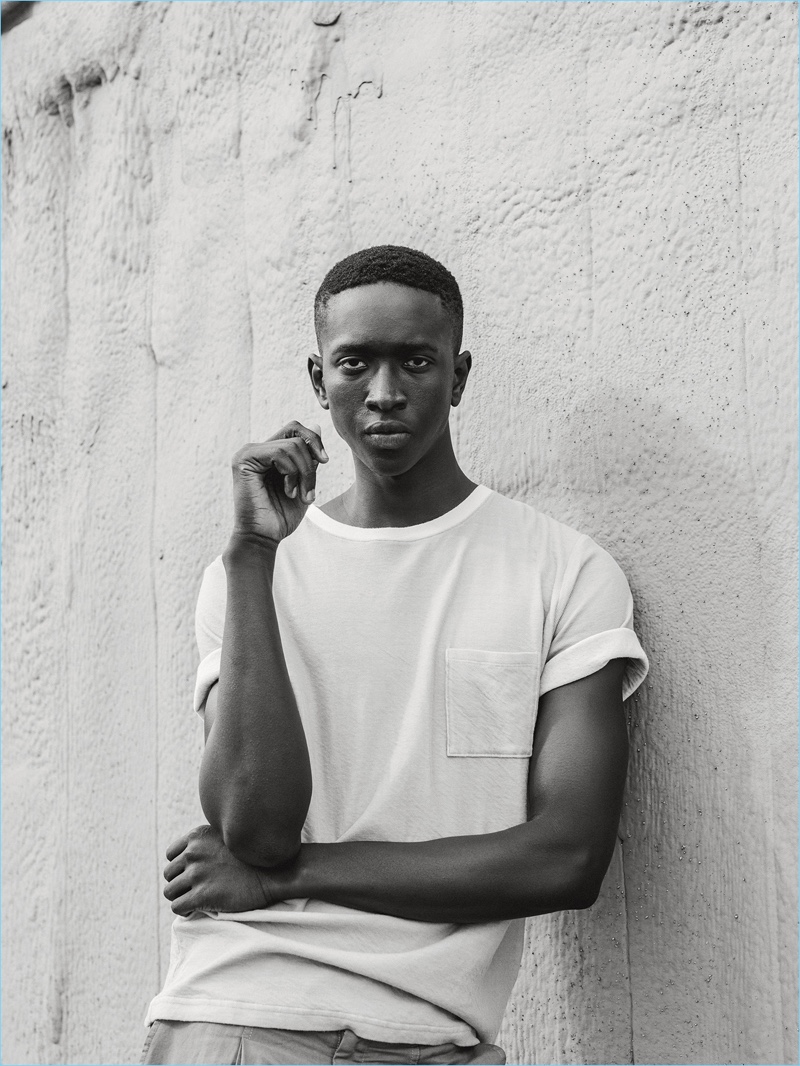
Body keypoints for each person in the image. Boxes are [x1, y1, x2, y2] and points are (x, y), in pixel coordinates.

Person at [142, 245, 648, 1066]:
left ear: (459, 375)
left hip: (439, 1038)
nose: (383, 391)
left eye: (415, 360)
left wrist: (290, 878)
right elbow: (254, 828)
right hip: (241, 1017)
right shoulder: (249, 574)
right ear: (319, 380)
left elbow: (567, 859)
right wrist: (252, 557)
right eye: (355, 364)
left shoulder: (563, 572)